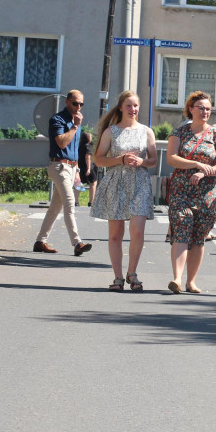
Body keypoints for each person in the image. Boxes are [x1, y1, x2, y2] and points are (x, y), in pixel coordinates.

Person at [91, 91, 158, 291]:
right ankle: (118, 277)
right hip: (116, 182)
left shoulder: (146, 131)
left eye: (136, 106)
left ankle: (132, 273)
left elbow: (154, 161)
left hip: (139, 182)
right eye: (129, 105)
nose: (133, 109)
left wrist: (142, 161)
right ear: (120, 108)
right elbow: (99, 159)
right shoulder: (111, 131)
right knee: (115, 234)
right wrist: (119, 160)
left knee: (137, 231)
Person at [165, 91, 216, 294]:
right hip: (181, 190)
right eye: (200, 108)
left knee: (198, 237)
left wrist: (204, 172)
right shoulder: (179, 132)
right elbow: (172, 158)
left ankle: (191, 281)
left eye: (208, 109)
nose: (204, 112)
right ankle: (177, 278)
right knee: (181, 230)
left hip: (206, 193)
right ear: (191, 109)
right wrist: (195, 164)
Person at [34, 89, 93, 256]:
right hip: (58, 166)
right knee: (69, 203)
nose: (79, 107)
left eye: (81, 104)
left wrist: (77, 170)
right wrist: (75, 126)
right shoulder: (57, 119)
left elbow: (76, 149)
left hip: (71, 167)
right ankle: (77, 243)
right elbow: (61, 143)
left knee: (55, 208)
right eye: (75, 103)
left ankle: (40, 241)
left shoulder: (77, 121)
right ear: (67, 102)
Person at [76, 130, 97, 207]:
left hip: (80, 167)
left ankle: (76, 201)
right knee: (93, 183)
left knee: (79, 183)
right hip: (88, 167)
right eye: (90, 136)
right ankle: (91, 202)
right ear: (88, 137)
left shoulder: (80, 145)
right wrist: (88, 168)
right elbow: (87, 157)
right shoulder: (89, 146)